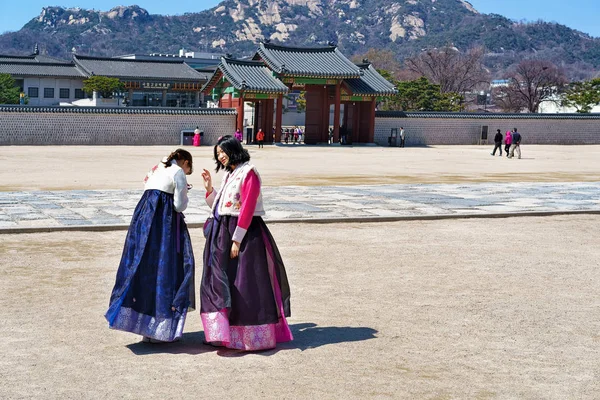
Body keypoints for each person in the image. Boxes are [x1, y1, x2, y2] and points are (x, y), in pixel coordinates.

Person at [200, 135, 292, 351]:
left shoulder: (248, 172)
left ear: (234, 149)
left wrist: (237, 240)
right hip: (224, 232)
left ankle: (250, 337)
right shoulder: (230, 174)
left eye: (223, 151)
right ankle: (225, 334)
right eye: (218, 153)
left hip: (244, 235)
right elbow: (221, 207)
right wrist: (209, 189)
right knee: (225, 283)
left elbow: (248, 207)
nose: (220, 156)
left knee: (245, 283)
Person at [105, 149, 195, 343]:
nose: (187, 171)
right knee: (166, 270)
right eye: (189, 168)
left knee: (145, 270)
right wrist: (184, 191)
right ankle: (161, 331)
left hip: (143, 221)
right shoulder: (178, 172)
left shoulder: (156, 169)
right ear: (185, 162)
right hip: (164, 226)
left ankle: (146, 330)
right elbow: (179, 205)